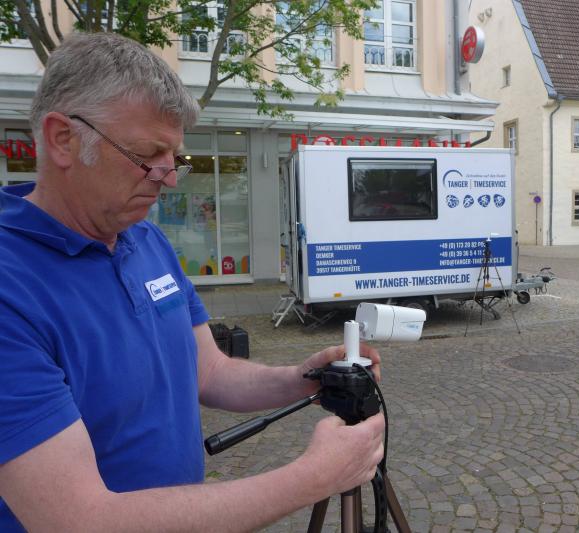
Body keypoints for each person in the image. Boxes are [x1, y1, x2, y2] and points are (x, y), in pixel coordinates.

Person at [0, 32, 385, 532]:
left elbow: (209, 371)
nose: (169, 177)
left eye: (174, 157)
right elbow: (78, 521)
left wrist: (302, 378)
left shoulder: (144, 239)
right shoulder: (12, 286)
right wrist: (314, 477)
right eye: (148, 155)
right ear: (62, 139)